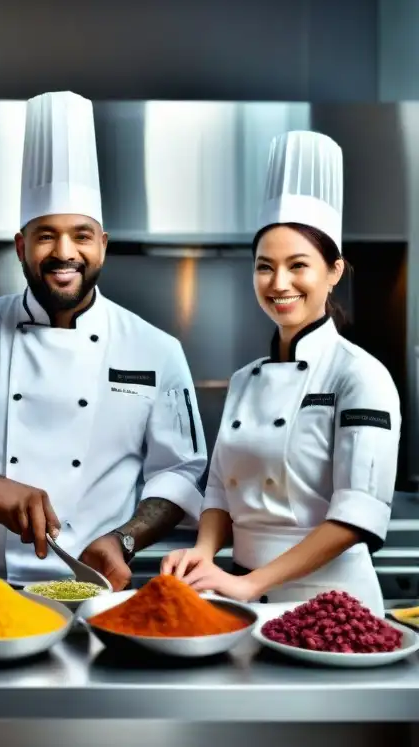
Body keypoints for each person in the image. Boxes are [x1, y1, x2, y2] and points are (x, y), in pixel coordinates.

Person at [0, 92, 208, 590]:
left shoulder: (157, 348)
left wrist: (126, 538)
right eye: (46, 235)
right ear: (21, 246)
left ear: (102, 245)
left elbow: (182, 471)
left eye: (81, 235)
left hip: (92, 585)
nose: (64, 252)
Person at [161, 130, 400, 613]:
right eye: (264, 266)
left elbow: (356, 515)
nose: (279, 283)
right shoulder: (245, 378)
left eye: (298, 265)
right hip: (244, 600)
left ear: (333, 271)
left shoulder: (361, 376)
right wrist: (203, 557)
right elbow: (218, 489)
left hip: (333, 606)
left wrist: (251, 583)